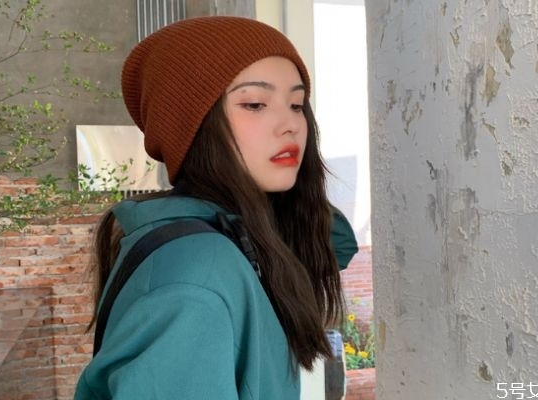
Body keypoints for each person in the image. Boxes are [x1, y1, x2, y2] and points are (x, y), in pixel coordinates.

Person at [74, 16, 358, 400]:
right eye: (255, 104)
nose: (291, 124)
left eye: (296, 104)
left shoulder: (229, 235)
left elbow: (332, 246)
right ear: (191, 126)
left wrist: (287, 195)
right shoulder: (195, 273)